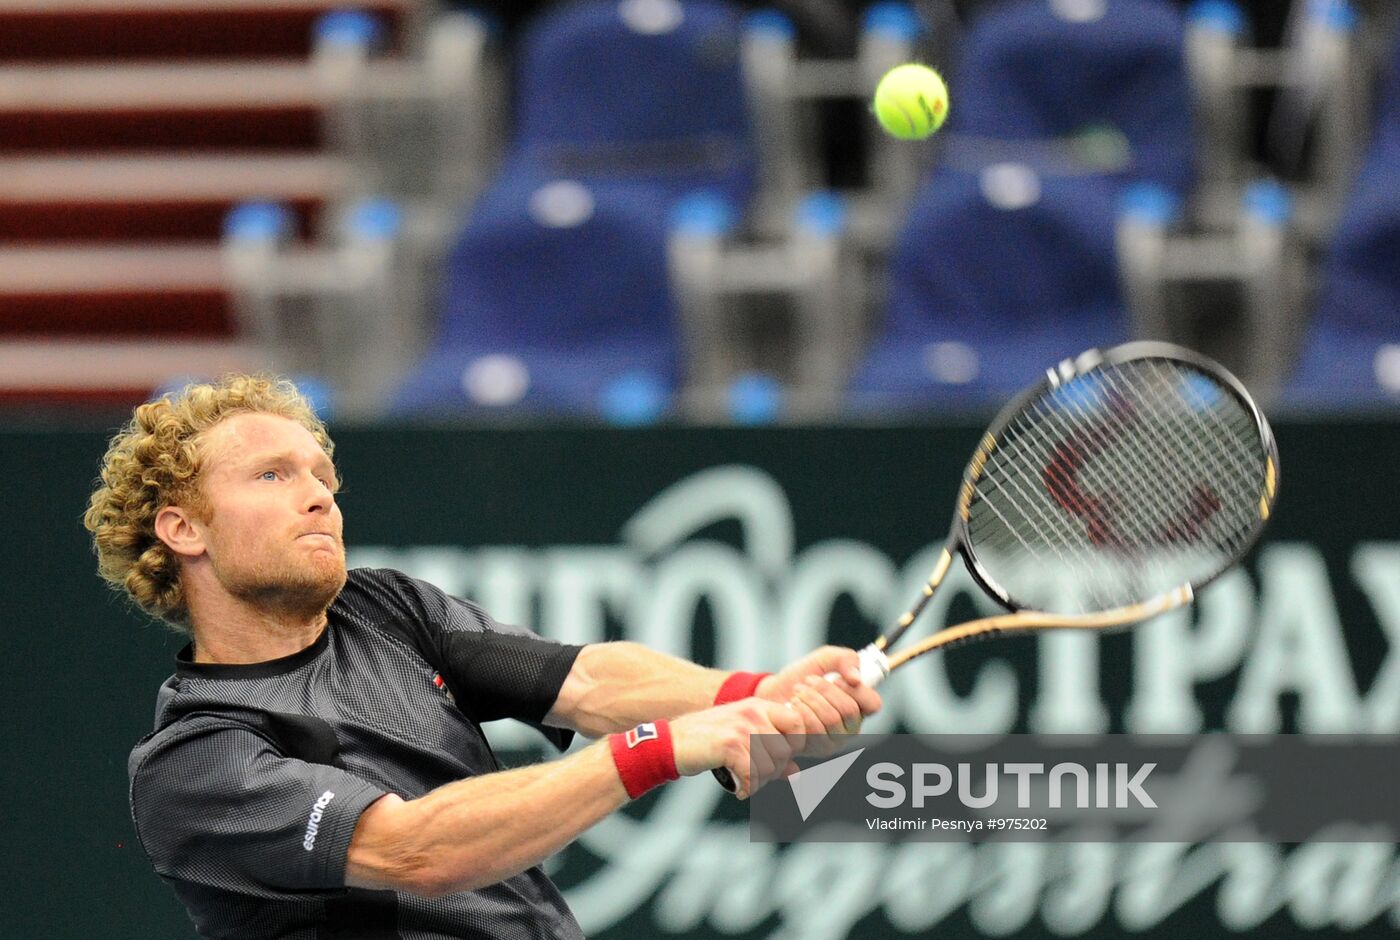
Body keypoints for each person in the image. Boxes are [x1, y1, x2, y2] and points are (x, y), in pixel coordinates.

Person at [84, 374, 881, 939]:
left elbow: (589, 680)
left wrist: (751, 691)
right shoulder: (198, 759)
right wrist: (658, 751)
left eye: (324, 476)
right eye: (272, 474)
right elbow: (415, 849)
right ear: (182, 529)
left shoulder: (385, 608)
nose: (320, 494)